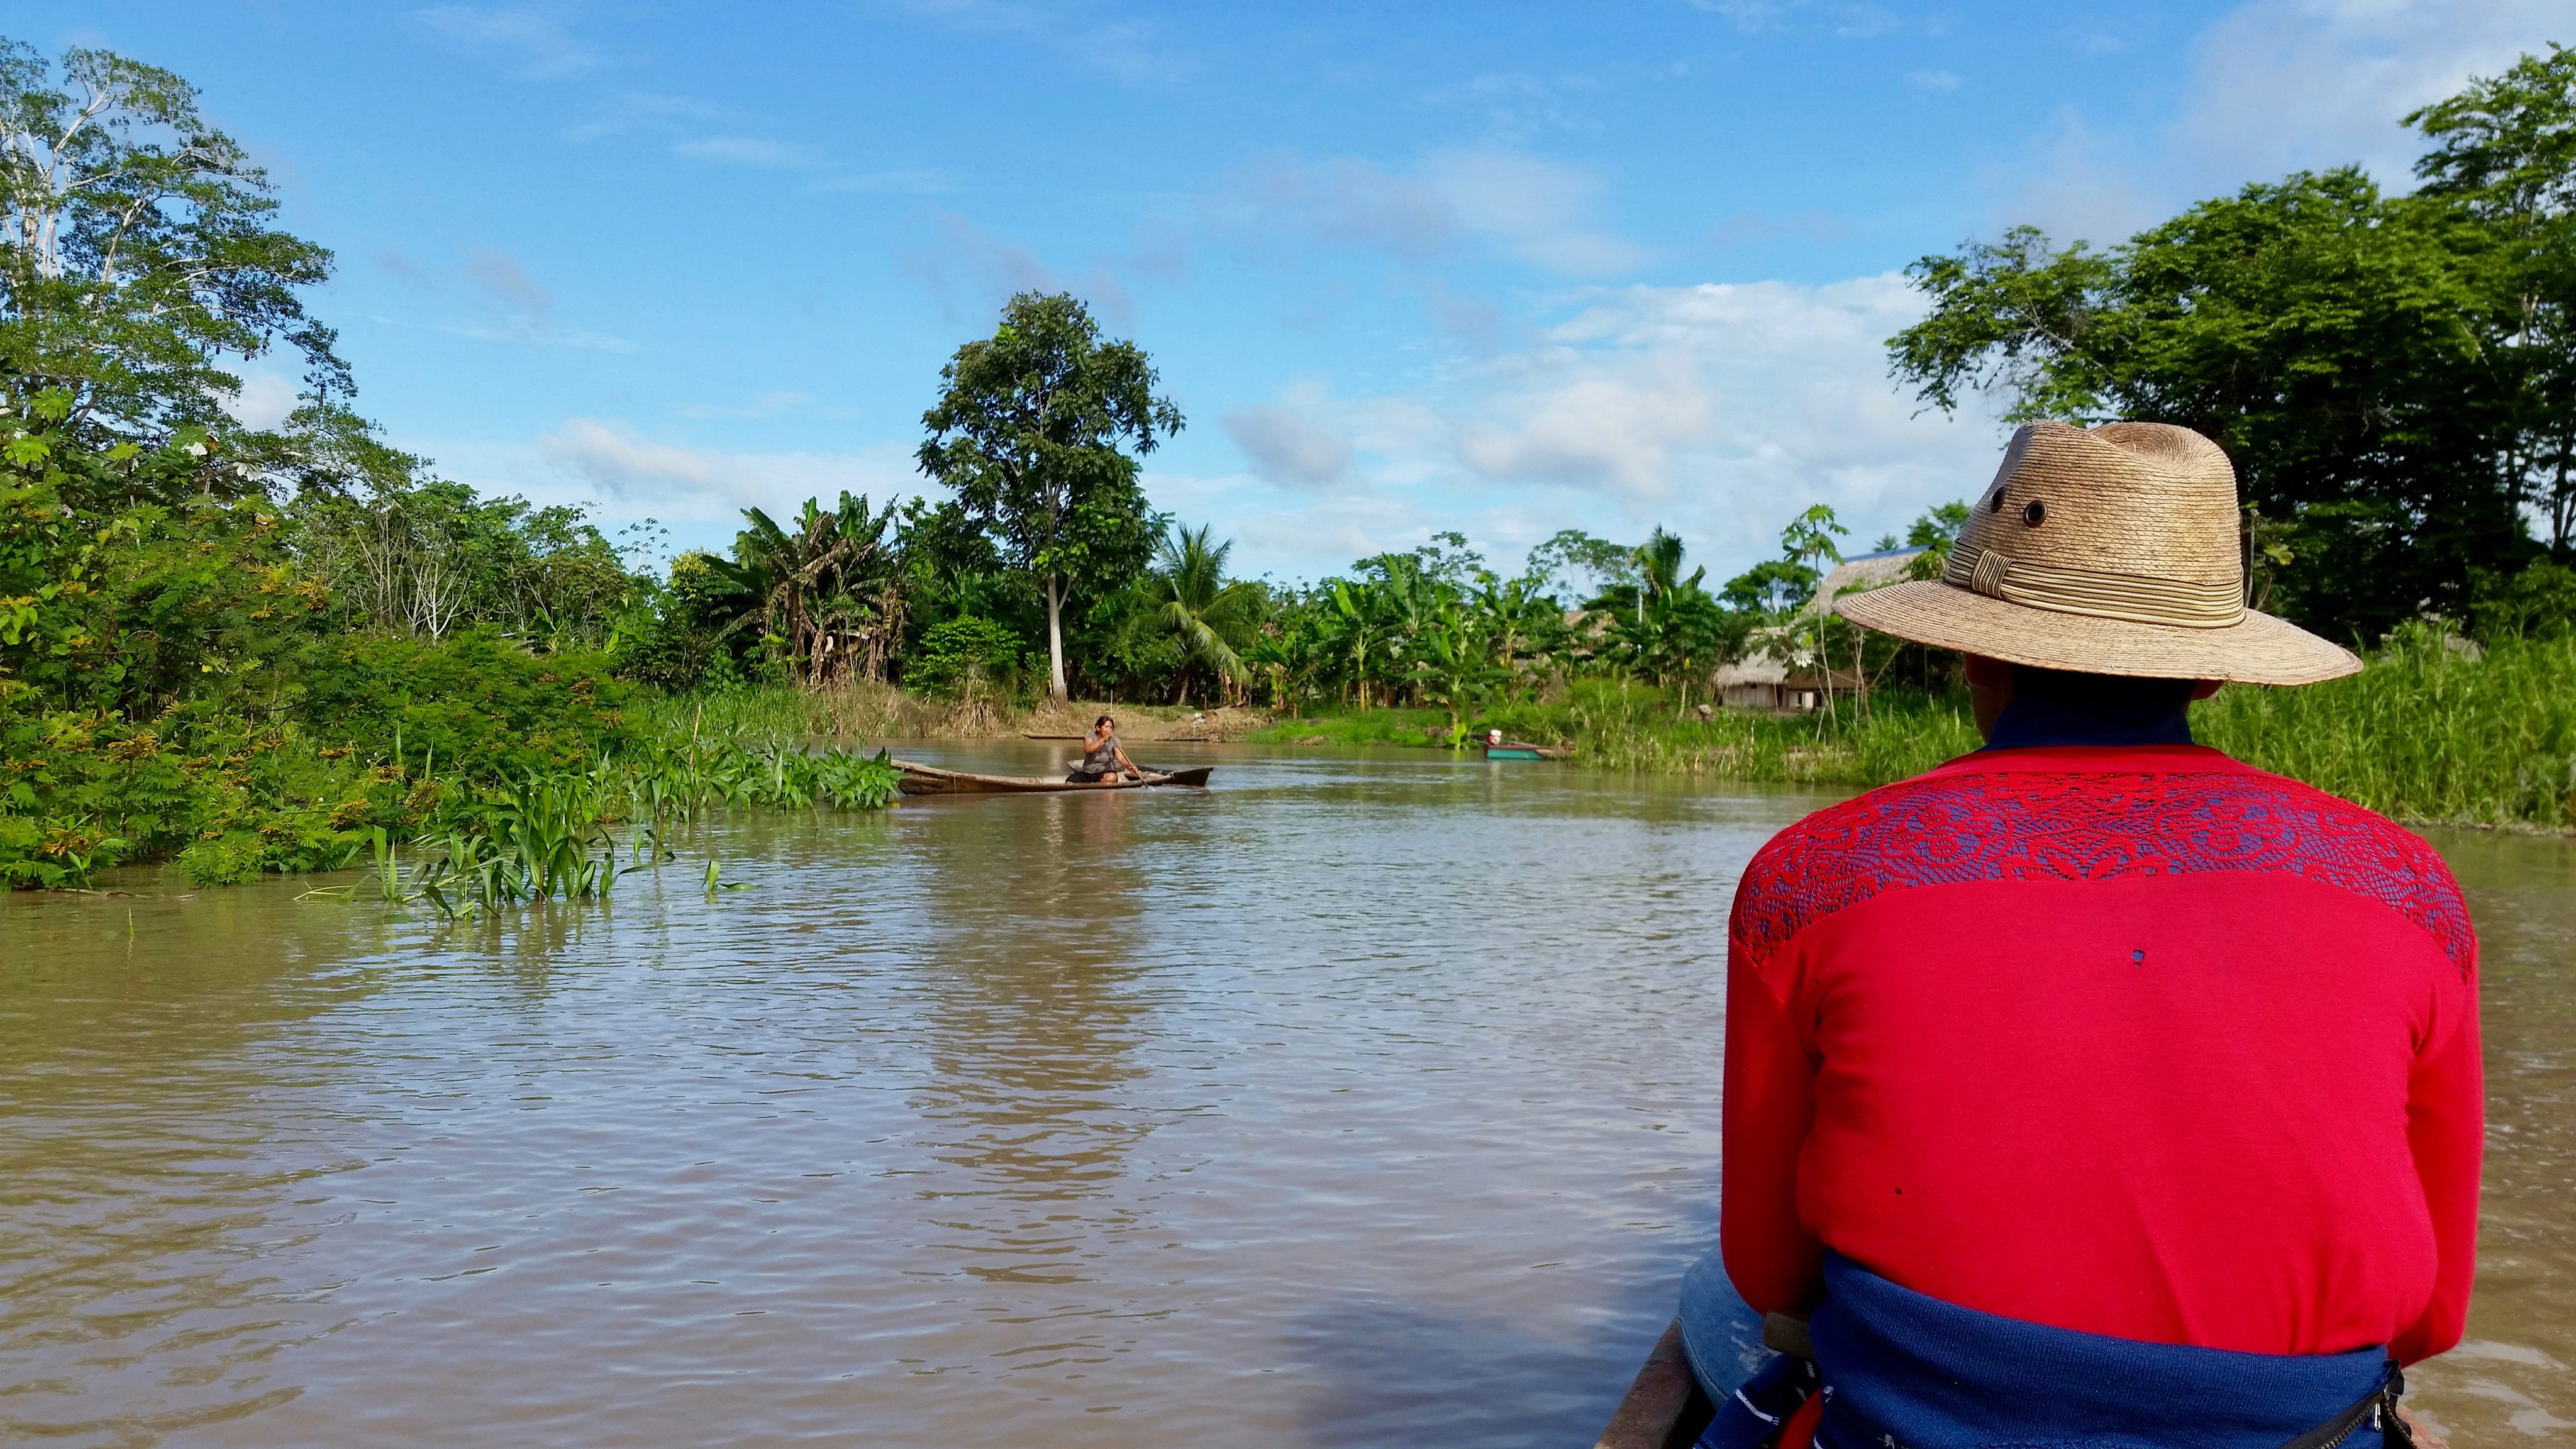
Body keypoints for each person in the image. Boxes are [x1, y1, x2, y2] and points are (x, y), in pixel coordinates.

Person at [1681, 421, 2479, 1449]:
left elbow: (1770, 1267)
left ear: (1972, 644)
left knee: (1713, 1292)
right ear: (2208, 672)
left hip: (1917, 1423)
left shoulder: (1813, 874)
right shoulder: (2407, 886)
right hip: (2294, 1429)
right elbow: (2430, 1318)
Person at [1069, 714, 1142, 785]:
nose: (1109, 730)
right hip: (1088, 773)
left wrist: (1129, 766)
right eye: (1106, 727)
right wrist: (1103, 740)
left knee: (1112, 777)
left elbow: (1121, 757)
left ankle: (1101, 788)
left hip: (1104, 773)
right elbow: (1088, 749)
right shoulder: (1090, 736)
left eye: (1111, 728)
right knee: (1070, 781)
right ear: (1098, 728)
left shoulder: (1114, 740)